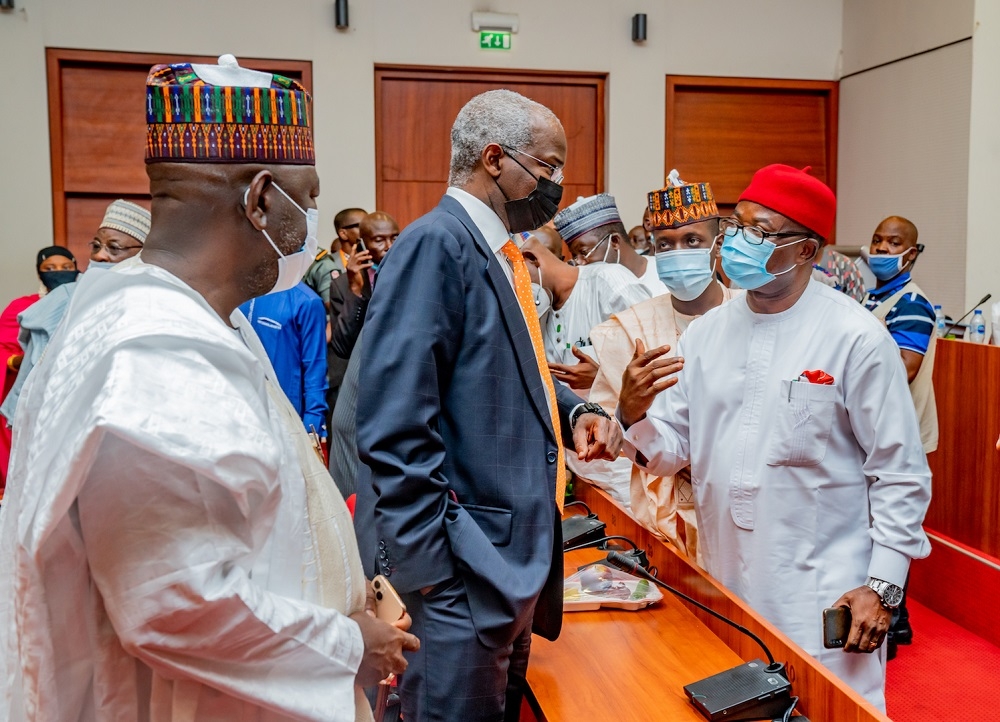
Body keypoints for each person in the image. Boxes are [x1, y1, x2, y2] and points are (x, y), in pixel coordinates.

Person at [0, 55, 417, 722]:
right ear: (259, 199)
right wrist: (345, 644)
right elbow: (174, 603)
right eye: (305, 201)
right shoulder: (152, 349)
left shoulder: (199, 319)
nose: (307, 227)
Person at [617, 164, 931, 710]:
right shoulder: (708, 333)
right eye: (735, 226)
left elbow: (900, 473)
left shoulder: (856, 338)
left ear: (807, 251)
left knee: (830, 711)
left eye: (760, 233)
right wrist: (630, 414)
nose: (737, 243)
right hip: (726, 579)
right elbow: (671, 449)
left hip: (825, 590)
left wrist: (882, 586)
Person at [353, 89, 622, 722]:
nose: (557, 185)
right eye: (549, 166)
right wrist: (437, 578)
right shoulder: (436, 246)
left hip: (503, 570)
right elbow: (394, 427)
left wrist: (573, 410)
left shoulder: (499, 253)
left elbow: (511, 370)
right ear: (496, 159)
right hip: (462, 579)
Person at [589, 172, 740, 560]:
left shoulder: (749, 316)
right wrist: (627, 409)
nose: (678, 252)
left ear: (716, 246)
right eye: (665, 244)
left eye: (692, 241)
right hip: (654, 514)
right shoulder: (629, 328)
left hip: (739, 507)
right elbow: (604, 437)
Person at [0, 200, 151, 428]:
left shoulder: (154, 302)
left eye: (114, 248)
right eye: (96, 246)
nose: (100, 256)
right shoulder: (63, 298)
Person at [862, 215, 936, 657]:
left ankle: (892, 624)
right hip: (875, 431)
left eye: (893, 243)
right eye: (877, 240)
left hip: (900, 433)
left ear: (911, 253)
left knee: (889, 524)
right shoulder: (876, 296)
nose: (882, 249)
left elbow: (904, 367)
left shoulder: (911, 302)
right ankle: (900, 621)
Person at [524, 194, 651, 390]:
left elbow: (655, 361)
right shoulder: (545, 307)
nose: (517, 285)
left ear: (532, 258)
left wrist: (602, 378)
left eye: (584, 252)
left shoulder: (610, 281)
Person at [0, 247, 78, 490]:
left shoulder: (84, 301)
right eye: (50, 269)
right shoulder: (22, 307)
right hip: (31, 392)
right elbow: (3, 348)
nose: (59, 273)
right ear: (39, 273)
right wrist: (17, 362)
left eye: (66, 268)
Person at [240, 281, 329, 444]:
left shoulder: (306, 301)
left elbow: (315, 369)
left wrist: (312, 426)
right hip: (241, 412)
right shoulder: (237, 292)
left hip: (285, 421)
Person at [558, 192, 667, 296]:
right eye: (575, 256)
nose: (580, 263)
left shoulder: (664, 275)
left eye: (584, 252)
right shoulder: (588, 287)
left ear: (614, 241)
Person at [329, 211, 399, 362]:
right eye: (379, 240)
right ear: (362, 243)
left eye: (395, 238)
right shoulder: (342, 284)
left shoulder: (412, 272)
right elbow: (342, 347)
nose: (389, 246)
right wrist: (355, 290)